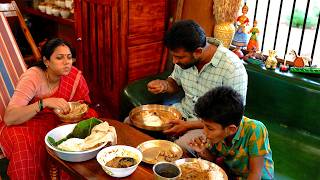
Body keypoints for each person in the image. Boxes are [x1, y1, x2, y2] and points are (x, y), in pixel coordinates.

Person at [0, 38, 97, 179]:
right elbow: (10, 118)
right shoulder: (33, 77)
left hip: (56, 120)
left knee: (75, 134)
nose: (66, 62)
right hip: (26, 122)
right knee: (27, 145)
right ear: (46, 61)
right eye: (59, 58)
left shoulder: (73, 75)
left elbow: (84, 104)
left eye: (69, 57)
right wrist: (43, 103)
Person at [147, 20, 248, 150]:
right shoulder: (185, 60)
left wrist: (188, 126)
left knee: (179, 148)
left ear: (198, 52)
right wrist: (165, 85)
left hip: (207, 125)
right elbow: (174, 83)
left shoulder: (232, 68)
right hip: (181, 112)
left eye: (179, 57)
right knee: (131, 121)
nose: (174, 61)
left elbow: (233, 117)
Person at [189, 86, 274, 179]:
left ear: (231, 129)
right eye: (204, 125)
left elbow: (255, 173)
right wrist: (203, 151)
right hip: (234, 174)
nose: (204, 132)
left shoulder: (255, 129)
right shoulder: (218, 133)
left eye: (210, 128)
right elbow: (213, 160)